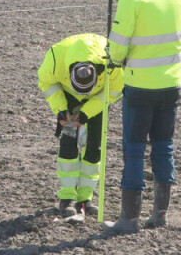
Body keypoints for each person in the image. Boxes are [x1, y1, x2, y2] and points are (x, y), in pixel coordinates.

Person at [103, 0, 181, 233]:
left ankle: (128, 220)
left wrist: (112, 59)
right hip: (171, 83)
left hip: (139, 87)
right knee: (164, 146)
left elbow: (117, 48)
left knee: (134, 150)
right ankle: (160, 214)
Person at [38, 33, 123, 221]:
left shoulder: (111, 61)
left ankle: (85, 198)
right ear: (70, 72)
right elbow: (47, 83)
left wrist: (86, 113)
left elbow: (115, 90)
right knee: (68, 143)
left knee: (94, 146)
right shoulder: (55, 58)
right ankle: (67, 197)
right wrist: (61, 110)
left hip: (98, 97)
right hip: (67, 96)